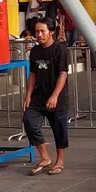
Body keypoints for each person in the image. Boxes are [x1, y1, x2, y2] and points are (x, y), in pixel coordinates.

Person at [22, 17, 70, 176]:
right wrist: (28, 94)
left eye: (42, 31)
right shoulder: (35, 51)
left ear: (51, 32)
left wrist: (55, 96)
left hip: (57, 95)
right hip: (38, 95)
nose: (39, 34)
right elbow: (33, 74)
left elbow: (63, 74)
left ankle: (60, 160)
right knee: (29, 121)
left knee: (59, 129)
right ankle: (44, 157)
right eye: (37, 31)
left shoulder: (60, 49)